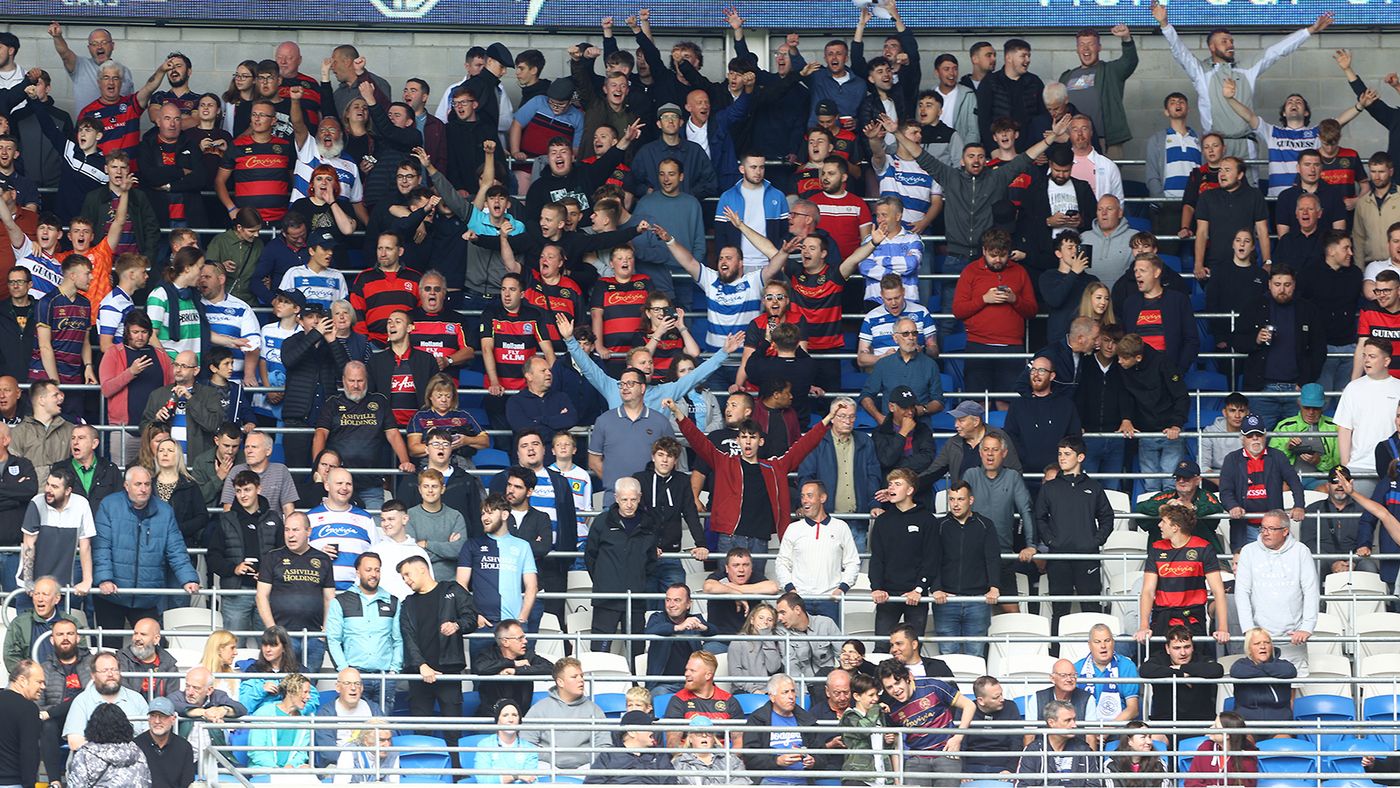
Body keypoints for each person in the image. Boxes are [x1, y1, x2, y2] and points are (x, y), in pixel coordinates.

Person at [667, 397, 840, 575]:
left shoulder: (775, 467)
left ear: (761, 441)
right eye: (744, 437)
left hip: (760, 539)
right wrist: (678, 413)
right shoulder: (724, 462)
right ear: (738, 441)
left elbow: (803, 445)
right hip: (730, 537)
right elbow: (698, 440)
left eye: (752, 437)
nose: (748, 441)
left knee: (755, 590)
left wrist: (827, 419)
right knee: (728, 589)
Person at [91, 466, 198, 648]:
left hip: (146, 596)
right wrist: (104, 579)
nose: (143, 489)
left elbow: (176, 549)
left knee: (153, 649)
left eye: (147, 484)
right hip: (111, 594)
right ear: (126, 485)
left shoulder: (164, 511)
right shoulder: (109, 505)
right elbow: (101, 546)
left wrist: (188, 578)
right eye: (138, 484)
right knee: (109, 650)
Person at [399, 554, 477, 763]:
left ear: (422, 569)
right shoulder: (407, 603)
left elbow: (472, 617)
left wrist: (457, 625)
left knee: (453, 731)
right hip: (419, 675)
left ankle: (457, 777)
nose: (406, 580)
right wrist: (422, 666)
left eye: (407, 574)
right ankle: (425, 777)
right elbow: (408, 638)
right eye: (403, 577)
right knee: (422, 730)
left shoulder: (451, 590)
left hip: (449, 671)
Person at [1031, 438, 1115, 630]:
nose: (1062, 458)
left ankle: (1094, 655)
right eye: (1060, 454)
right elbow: (1039, 518)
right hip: (1059, 557)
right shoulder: (1049, 488)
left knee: (1091, 608)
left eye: (1067, 454)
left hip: (1087, 556)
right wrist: (1051, 541)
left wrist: (1095, 541)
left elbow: (1107, 518)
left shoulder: (1094, 487)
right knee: (1059, 610)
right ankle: (1056, 654)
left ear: (1081, 457)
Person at [312, 362, 414, 511]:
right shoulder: (333, 403)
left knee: (376, 527)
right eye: (351, 381)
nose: (355, 385)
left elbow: (393, 434)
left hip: (371, 483)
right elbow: (320, 434)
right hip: (339, 483)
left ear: (367, 380)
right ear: (343, 380)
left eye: (360, 381)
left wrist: (405, 461)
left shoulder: (379, 401)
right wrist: (317, 468)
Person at [1135, 505, 1231, 659]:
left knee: (1199, 665)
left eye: (1163, 522)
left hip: (1193, 617)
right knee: (1157, 666)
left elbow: (1218, 591)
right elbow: (1147, 591)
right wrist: (1144, 626)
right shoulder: (1156, 548)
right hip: (1162, 617)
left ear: (1175, 527)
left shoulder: (1203, 548)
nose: (1159, 525)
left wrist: (1223, 628)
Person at [1236, 510, 1319, 675]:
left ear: (1285, 531)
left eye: (1271, 529)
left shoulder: (1301, 551)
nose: (1265, 533)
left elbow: (1311, 591)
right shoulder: (1248, 551)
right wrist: (1249, 629)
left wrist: (1307, 627)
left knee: (1293, 690)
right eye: (1263, 528)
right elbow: (1242, 591)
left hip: (1293, 637)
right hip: (1258, 637)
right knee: (1259, 691)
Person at [585, 476, 661, 657]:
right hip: (606, 597)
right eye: (624, 499)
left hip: (636, 598)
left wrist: (638, 580)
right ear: (616, 498)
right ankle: (597, 685)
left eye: (633, 499)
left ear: (640, 497)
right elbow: (590, 556)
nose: (629, 504)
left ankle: (636, 685)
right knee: (600, 650)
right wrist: (604, 581)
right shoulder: (602, 522)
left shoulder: (649, 524)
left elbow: (651, 562)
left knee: (636, 650)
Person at [256, 514, 335, 672]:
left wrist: (324, 633)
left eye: (296, 530)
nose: (290, 535)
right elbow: (261, 596)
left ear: (308, 531)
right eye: (287, 530)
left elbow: (329, 598)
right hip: (284, 636)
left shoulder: (323, 559)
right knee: (284, 686)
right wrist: (274, 632)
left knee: (309, 688)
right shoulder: (272, 557)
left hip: (313, 637)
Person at [929, 481, 1001, 656]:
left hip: (977, 600)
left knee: (976, 655)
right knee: (948, 655)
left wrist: (994, 587)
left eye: (960, 499)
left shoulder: (985, 524)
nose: (955, 504)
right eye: (952, 499)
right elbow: (932, 560)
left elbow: (992, 558)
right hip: (946, 600)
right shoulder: (939, 526)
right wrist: (936, 588)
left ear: (971, 500)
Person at [1219, 416, 1307, 554]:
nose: (1255, 438)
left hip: (1274, 527)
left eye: (1258, 434)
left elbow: (1295, 482)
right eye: (1250, 435)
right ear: (1242, 438)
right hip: (1244, 526)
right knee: (1245, 568)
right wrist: (1233, 506)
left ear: (1265, 435)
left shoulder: (1278, 456)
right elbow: (1225, 491)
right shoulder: (1232, 459)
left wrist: (1299, 505)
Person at [879, 658, 975, 785]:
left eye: (897, 683)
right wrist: (897, 778)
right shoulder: (890, 707)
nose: (895, 690)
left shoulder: (933, 687)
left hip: (946, 754)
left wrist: (958, 738)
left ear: (909, 677)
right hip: (916, 759)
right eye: (889, 687)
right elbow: (896, 744)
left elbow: (969, 705)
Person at [776, 480, 860, 623]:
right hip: (800, 601)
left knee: (829, 644)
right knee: (799, 645)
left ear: (823, 498)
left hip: (830, 600)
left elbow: (852, 562)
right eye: (802, 496)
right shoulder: (793, 529)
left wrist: (842, 589)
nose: (805, 500)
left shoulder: (841, 527)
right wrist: (791, 589)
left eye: (809, 495)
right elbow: (782, 562)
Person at [456, 493, 538, 636]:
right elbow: (460, 584)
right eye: (482, 514)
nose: (484, 518)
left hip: (513, 624)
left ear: (504, 515)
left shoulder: (522, 546)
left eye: (490, 513)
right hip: (482, 624)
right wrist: (474, 615)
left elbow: (532, 586)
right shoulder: (471, 545)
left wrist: (522, 619)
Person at [326, 553, 402, 704]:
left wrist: (394, 670)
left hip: (385, 677)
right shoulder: (340, 601)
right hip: (354, 677)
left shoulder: (393, 601)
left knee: (383, 725)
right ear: (358, 572)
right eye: (368, 570)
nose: (373, 574)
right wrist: (345, 671)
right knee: (355, 726)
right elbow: (333, 640)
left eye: (377, 570)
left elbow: (398, 640)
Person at [521, 657, 611, 770]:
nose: (581, 680)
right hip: (547, 768)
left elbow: (604, 746)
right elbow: (526, 744)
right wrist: (550, 757)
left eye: (581, 676)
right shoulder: (539, 709)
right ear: (560, 682)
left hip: (584, 769)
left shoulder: (594, 710)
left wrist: (584, 759)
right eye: (574, 677)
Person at [1338, 339, 1400, 498]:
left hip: (1394, 465)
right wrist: (1346, 465)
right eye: (1364, 355)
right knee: (1360, 520)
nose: (1366, 360)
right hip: (1359, 466)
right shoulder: (1353, 388)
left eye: (1372, 356)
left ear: (1386, 361)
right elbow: (1345, 428)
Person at [18, 468, 94, 595]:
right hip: (33, 585)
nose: (48, 490)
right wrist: (28, 583)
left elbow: (85, 547)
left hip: (63, 586)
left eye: (54, 487)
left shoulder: (82, 504)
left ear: (68, 490)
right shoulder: (37, 502)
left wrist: (87, 580)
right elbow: (28, 546)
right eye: (47, 484)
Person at [741, 673, 827, 781]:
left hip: (802, 781)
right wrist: (777, 761)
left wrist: (813, 761)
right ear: (772, 697)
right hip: (770, 781)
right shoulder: (758, 719)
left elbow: (823, 757)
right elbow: (750, 759)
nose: (791, 696)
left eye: (793, 691)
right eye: (785, 692)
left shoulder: (807, 719)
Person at [63, 652, 149, 750]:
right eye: (104, 671)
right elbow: (75, 742)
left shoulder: (137, 699)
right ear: (93, 675)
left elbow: (149, 737)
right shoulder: (81, 701)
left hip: (133, 759)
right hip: (93, 761)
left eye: (114, 669)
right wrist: (110, 753)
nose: (110, 674)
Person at [1138, 625, 1223, 723]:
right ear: (1167, 649)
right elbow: (1145, 670)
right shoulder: (1160, 658)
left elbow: (1217, 670)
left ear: (1193, 647)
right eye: (1177, 648)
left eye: (1187, 647)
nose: (1183, 653)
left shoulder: (1201, 659)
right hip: (1165, 723)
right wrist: (1181, 674)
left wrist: (1182, 668)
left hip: (1202, 723)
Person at [1015, 699, 1103, 787]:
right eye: (1068, 720)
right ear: (1051, 723)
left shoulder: (1084, 750)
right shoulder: (1034, 750)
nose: (1074, 725)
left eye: (1074, 720)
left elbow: (1095, 785)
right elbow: (1022, 785)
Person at [4, 576, 81, 672]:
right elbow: (11, 657)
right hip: (30, 680)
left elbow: (82, 652)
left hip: (65, 679)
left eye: (45, 594)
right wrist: (30, 675)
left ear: (57, 599)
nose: (40, 599)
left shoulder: (71, 623)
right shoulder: (20, 623)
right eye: (36, 594)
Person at [475, 620, 553, 715]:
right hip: (491, 716)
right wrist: (513, 663)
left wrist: (516, 671)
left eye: (524, 637)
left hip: (522, 717)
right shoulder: (488, 654)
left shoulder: (527, 655)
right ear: (505, 642)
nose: (525, 641)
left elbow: (550, 668)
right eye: (520, 638)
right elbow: (480, 668)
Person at [238, 627, 320, 717]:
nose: (267, 649)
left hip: (293, 721)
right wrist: (260, 689)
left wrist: (294, 712)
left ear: (284, 647)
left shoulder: (299, 670)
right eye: (265, 645)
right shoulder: (253, 670)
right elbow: (243, 706)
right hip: (262, 721)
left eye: (273, 645)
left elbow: (312, 701)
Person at [65, 703, 150, 788]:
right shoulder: (137, 752)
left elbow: (77, 785)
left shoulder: (84, 755)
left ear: (93, 726)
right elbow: (146, 782)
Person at [701, 548, 779, 640]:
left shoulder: (755, 577)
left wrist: (733, 589)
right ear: (727, 568)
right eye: (736, 565)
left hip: (750, 640)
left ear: (751, 568)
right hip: (719, 639)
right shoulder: (720, 576)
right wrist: (734, 593)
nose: (741, 569)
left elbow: (773, 588)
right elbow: (708, 587)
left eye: (745, 565)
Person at [312, 668, 383, 768]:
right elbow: (328, 753)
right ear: (338, 687)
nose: (353, 688)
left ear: (362, 688)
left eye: (357, 683)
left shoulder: (374, 709)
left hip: (372, 765)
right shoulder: (326, 713)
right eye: (347, 683)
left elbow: (385, 742)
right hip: (338, 765)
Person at [247, 672, 314, 770]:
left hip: (291, 770)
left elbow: (301, 754)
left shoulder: (304, 721)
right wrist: (275, 769)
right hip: (265, 769)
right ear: (291, 691)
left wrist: (291, 765)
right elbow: (256, 751)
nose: (309, 697)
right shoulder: (264, 713)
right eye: (305, 692)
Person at [1230, 627, 1299, 722]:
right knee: (1243, 737)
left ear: (1271, 646)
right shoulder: (1241, 664)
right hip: (1246, 722)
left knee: (1283, 737)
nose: (1262, 646)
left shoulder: (1283, 664)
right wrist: (1270, 671)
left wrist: (1260, 667)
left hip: (1279, 722)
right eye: (1257, 643)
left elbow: (1290, 671)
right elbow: (1236, 671)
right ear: (1249, 648)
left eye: (1266, 642)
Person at [1270, 383, 1340, 477]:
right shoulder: (1285, 426)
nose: (1311, 412)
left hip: (1321, 480)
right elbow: (1272, 461)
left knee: (1325, 489)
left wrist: (1320, 461)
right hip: (1289, 478)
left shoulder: (1334, 427)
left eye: (1315, 408)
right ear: (1299, 404)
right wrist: (1287, 448)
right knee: (1282, 488)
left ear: (1323, 406)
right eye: (1307, 407)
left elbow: (1340, 465)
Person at [962, 676, 1024, 775]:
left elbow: (1016, 742)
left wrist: (1010, 769)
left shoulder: (1011, 707)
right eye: (996, 697)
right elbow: (960, 743)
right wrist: (962, 771)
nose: (1002, 699)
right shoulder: (965, 710)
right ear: (981, 701)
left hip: (1003, 765)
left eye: (1001, 694)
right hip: (971, 765)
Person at [775, 592, 842, 680]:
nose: (779, 618)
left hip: (828, 682)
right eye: (778, 613)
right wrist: (802, 691)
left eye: (783, 613)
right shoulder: (781, 631)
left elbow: (842, 655)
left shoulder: (826, 623)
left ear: (797, 610)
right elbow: (791, 665)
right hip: (803, 685)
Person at [1184, 711, 1257, 787]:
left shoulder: (1247, 755)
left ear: (1227, 735)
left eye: (1215, 727)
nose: (1211, 728)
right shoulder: (1205, 747)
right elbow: (1190, 782)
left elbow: (1248, 785)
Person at [0, 657, 42, 788]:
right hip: (13, 782)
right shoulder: (28, 709)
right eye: (39, 682)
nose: (43, 687)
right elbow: (29, 752)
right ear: (22, 680)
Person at [134, 697, 194, 788]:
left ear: (173, 719)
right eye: (153, 715)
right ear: (149, 719)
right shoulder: (136, 745)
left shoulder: (184, 747)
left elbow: (187, 783)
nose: (157, 721)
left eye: (162, 716)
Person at [673, 714, 749, 785]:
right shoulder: (679, 763)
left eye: (709, 732)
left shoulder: (731, 759)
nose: (704, 735)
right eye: (698, 733)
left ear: (713, 738)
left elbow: (742, 782)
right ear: (690, 738)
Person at [117, 617, 180, 699]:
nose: (137, 638)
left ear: (156, 639)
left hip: (159, 710)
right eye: (135, 633)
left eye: (143, 634)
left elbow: (172, 698)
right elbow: (123, 694)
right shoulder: (122, 659)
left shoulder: (169, 664)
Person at [728, 604, 780, 695]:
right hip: (744, 690)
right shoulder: (738, 641)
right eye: (761, 618)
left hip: (768, 690)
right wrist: (754, 690)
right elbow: (735, 674)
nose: (765, 622)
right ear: (752, 620)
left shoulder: (773, 642)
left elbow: (773, 668)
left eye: (770, 620)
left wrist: (767, 638)